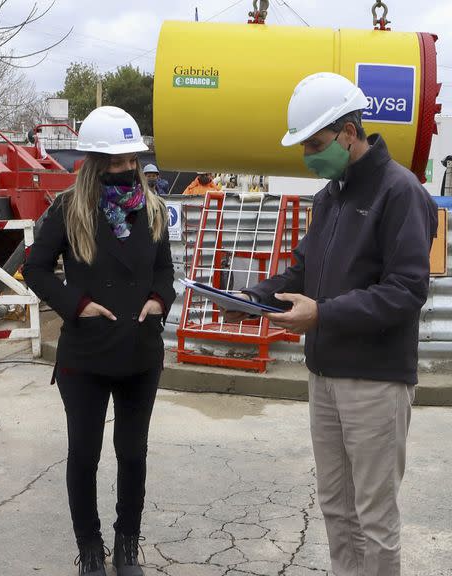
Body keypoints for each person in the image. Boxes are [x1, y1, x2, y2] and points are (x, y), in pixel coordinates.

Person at [229, 72, 437, 576]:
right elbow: (302, 271)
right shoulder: (330, 196)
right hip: (324, 375)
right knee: (336, 509)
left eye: (315, 145)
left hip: (375, 381)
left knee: (375, 519)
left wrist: (323, 313)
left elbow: (407, 290)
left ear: (348, 132)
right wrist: (251, 298)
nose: (308, 158)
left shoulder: (400, 192)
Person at [24, 106, 175, 576]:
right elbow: (35, 268)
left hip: (140, 351)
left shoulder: (151, 208)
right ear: (92, 162)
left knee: (133, 453)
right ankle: (90, 547)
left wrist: (158, 299)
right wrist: (77, 305)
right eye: (112, 162)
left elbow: (166, 270)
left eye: (130, 160)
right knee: (84, 454)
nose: (124, 169)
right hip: (86, 353)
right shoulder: (69, 209)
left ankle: (127, 543)